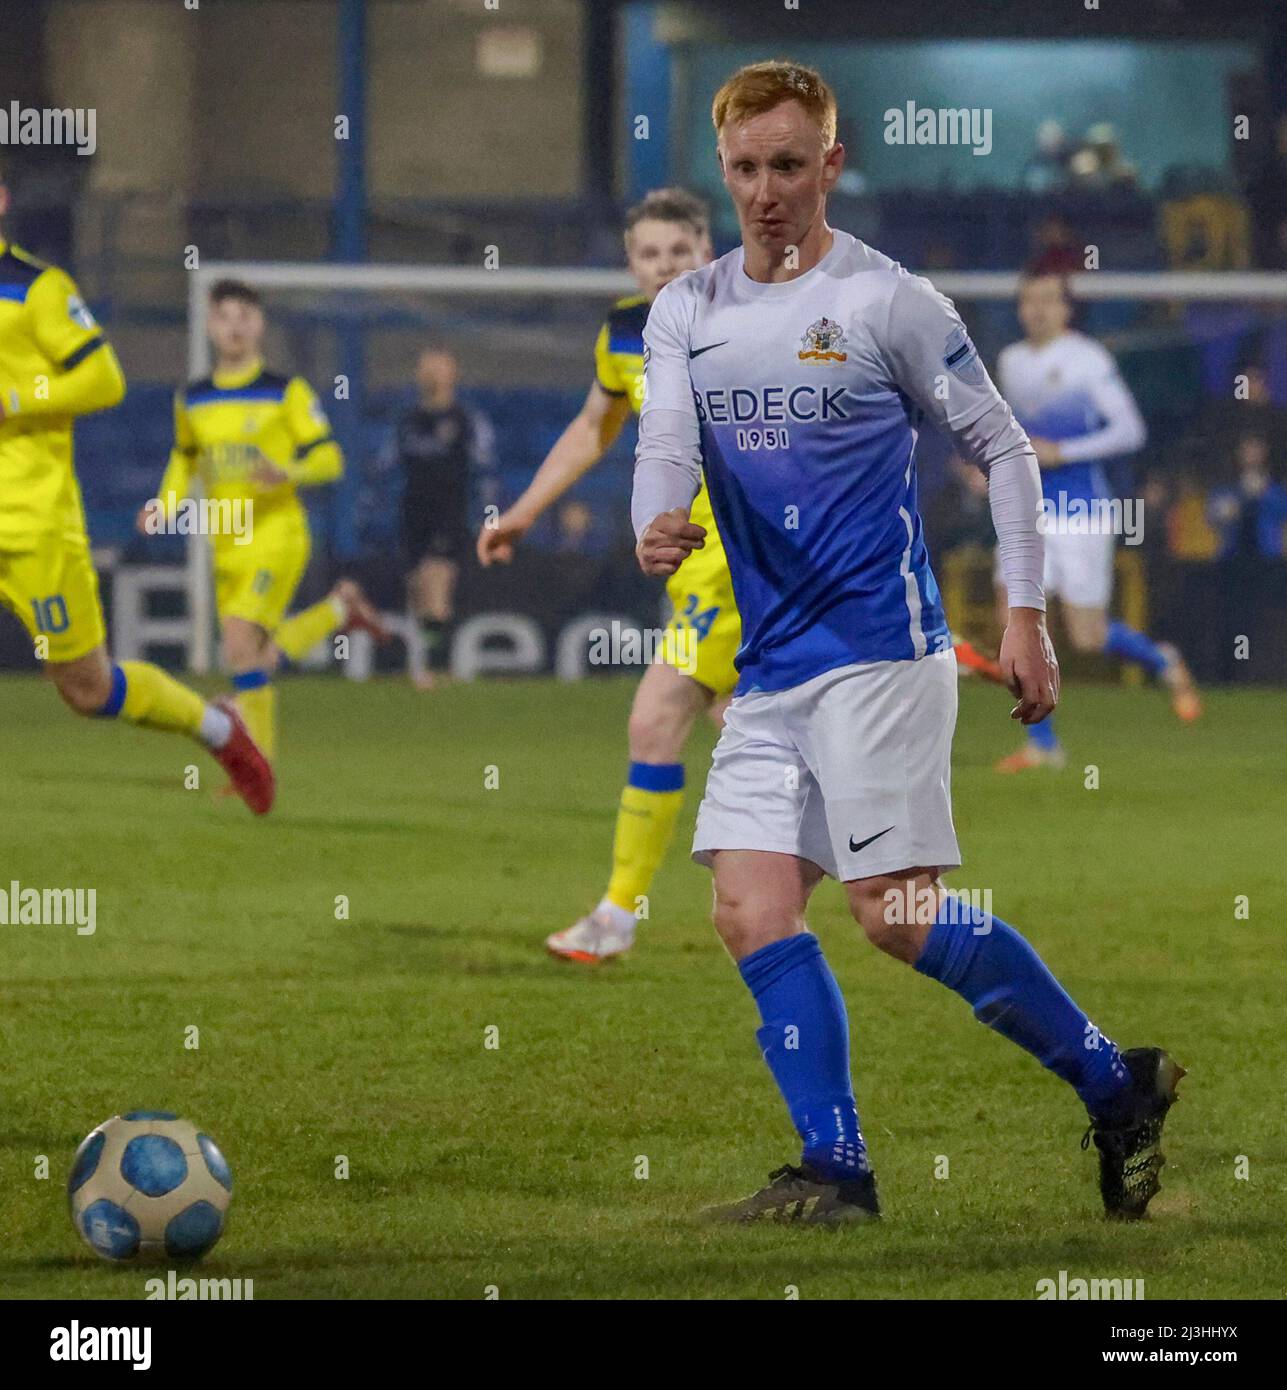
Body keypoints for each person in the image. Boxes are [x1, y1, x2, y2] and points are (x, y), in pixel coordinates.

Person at [632, 60, 1184, 1225]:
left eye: (790, 164)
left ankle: (1109, 1078)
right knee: (747, 907)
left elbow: (1011, 450)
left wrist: (1023, 614)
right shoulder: (689, 308)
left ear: (832, 163)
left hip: (883, 651)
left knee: (895, 913)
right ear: (722, 171)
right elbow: (666, 441)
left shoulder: (892, 303)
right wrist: (658, 515)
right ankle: (838, 1170)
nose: (767, 190)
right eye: (744, 169)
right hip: (772, 665)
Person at [477, 188, 735, 963]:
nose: (664, 267)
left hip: (743, 557)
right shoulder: (624, 332)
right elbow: (593, 426)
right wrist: (522, 511)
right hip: (689, 560)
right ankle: (870, 863)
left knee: (658, 719)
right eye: (649, 255)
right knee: (743, 726)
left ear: (707, 252)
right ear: (630, 264)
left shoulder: (750, 315)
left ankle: (619, 915)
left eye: (679, 252)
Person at [0, 160, 272, 814]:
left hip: (29, 521)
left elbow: (104, 379)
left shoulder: (36, 289)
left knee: (87, 689)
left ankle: (218, 728)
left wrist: (15, 397)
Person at [141, 279, 388, 765]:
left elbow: (332, 459)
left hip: (277, 534)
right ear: (210, 327)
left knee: (237, 642)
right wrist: (164, 504)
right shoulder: (191, 398)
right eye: (225, 317)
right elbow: (185, 458)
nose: (235, 326)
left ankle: (256, 770)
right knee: (252, 657)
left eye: (245, 317)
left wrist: (289, 471)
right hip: (226, 539)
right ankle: (338, 611)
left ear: (260, 327)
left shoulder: (285, 391)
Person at [993, 272, 1200, 772]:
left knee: (1086, 636)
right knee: (1014, 622)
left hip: (1082, 512)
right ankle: (1044, 746)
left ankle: (1163, 661)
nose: (1036, 309)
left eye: (1047, 300)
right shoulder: (1010, 361)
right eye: (1028, 300)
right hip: (1028, 512)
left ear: (1067, 310)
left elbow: (1130, 430)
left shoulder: (1088, 360)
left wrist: (1065, 451)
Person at [394, 347, 496, 688]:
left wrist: (488, 512)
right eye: (426, 367)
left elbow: (485, 467)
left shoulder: (465, 421)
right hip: (413, 512)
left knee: (436, 582)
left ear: (453, 374)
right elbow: (387, 465)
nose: (432, 374)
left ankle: (438, 669)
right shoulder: (407, 421)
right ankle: (425, 663)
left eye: (439, 367)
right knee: (417, 592)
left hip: (448, 513)